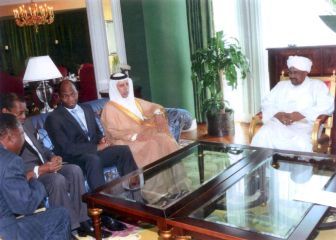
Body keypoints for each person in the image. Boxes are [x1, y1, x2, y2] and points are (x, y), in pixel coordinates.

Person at [0, 93, 111, 238]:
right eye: (19, 113)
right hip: (31, 174)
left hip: (45, 165)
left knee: (74, 170)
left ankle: (84, 221)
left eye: (25, 112)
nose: (23, 117)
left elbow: (41, 147)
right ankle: (69, 228)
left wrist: (53, 156)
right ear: (5, 112)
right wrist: (39, 171)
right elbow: (14, 170)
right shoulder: (8, 133)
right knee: (56, 180)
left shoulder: (26, 124)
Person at [45, 80, 138, 229]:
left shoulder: (86, 108)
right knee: (93, 159)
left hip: (93, 153)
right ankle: (106, 213)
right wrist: (96, 147)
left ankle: (134, 200)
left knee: (123, 150)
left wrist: (101, 138)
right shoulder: (54, 118)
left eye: (73, 94)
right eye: (65, 96)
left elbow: (96, 133)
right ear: (59, 97)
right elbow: (65, 148)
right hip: (74, 159)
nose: (70, 99)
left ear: (77, 93)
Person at [0, 113, 71, 240]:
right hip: (6, 232)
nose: (24, 138)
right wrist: (34, 180)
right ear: (10, 137)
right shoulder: (11, 161)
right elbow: (26, 206)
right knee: (61, 215)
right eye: (22, 134)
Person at [251, 55, 334, 152]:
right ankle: (264, 166)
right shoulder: (281, 85)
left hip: (305, 126)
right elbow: (266, 102)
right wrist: (278, 114)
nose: (291, 76)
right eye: (290, 72)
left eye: (295, 72)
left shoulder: (317, 86)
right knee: (263, 134)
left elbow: (327, 106)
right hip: (278, 124)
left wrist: (301, 115)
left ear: (305, 72)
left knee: (301, 143)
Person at [101, 72, 179, 168]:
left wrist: (157, 112)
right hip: (125, 141)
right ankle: (154, 181)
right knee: (152, 145)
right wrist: (134, 136)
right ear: (114, 88)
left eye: (127, 84)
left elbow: (152, 107)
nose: (126, 88)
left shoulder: (133, 101)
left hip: (143, 133)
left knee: (166, 140)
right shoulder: (109, 107)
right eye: (121, 85)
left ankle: (174, 179)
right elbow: (112, 132)